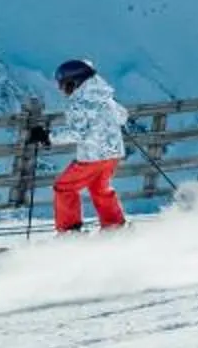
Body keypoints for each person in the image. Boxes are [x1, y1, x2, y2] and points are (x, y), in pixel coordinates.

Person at [26, 58, 131, 233]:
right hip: (113, 154)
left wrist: (47, 137)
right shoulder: (105, 98)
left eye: (63, 85)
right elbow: (122, 117)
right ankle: (114, 227)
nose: (62, 90)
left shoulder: (78, 103)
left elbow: (77, 133)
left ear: (75, 82)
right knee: (100, 189)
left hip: (92, 157)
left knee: (64, 188)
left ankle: (70, 231)